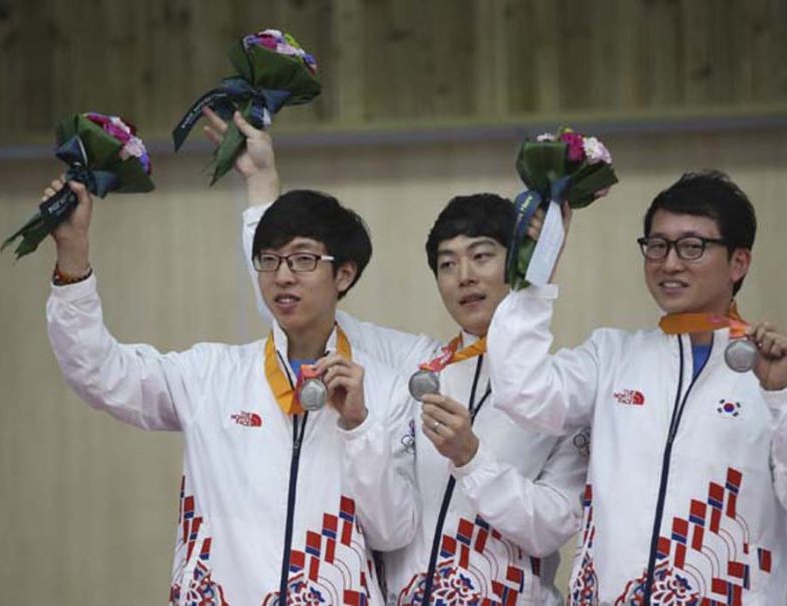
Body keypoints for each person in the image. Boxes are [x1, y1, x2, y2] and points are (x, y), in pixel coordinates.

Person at [206, 110, 587, 604]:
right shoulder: (417, 364)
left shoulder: (563, 392)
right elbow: (297, 304)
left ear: (516, 264)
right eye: (447, 264)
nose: (464, 276)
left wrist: (472, 458)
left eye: (482, 255)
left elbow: (551, 527)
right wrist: (261, 187)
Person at [44, 168, 418, 604]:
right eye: (270, 260)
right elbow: (99, 372)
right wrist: (73, 257)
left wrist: (359, 428)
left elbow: (393, 532)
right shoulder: (212, 376)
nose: (282, 276)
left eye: (302, 259)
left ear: (344, 275)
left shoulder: (384, 391)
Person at [486, 171, 787, 605]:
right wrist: (538, 275)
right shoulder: (612, 356)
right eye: (657, 246)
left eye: (692, 246)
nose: (670, 263)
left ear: (739, 262)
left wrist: (783, 397)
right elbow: (522, 393)